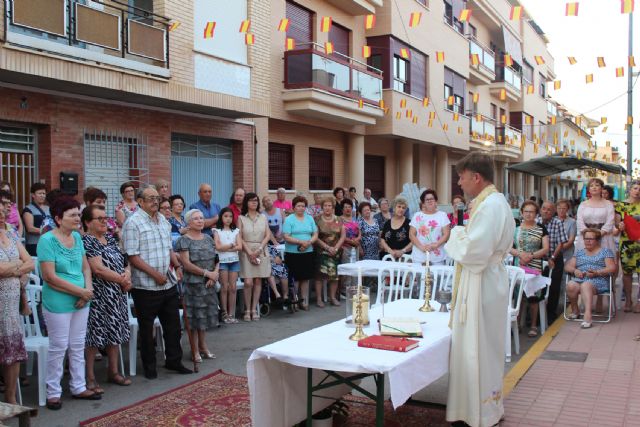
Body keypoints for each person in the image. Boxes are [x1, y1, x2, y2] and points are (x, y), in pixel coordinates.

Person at [443, 152, 515, 427]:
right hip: (486, 278)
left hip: (481, 278)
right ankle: (479, 408)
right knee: (483, 346)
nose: (459, 183)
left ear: (476, 177)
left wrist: (456, 233)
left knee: (477, 347)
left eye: (461, 177)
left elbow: (474, 251)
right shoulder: (492, 202)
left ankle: (478, 413)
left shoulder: (490, 206)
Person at [123, 187, 192, 379]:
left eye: (157, 198)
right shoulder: (133, 223)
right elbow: (133, 256)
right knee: (147, 329)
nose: (155, 201)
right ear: (140, 202)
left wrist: (177, 265)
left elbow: (168, 248)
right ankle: (150, 366)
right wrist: (155, 274)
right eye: (150, 198)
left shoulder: (163, 220)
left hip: (167, 282)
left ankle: (174, 361)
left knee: (173, 326)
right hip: (145, 285)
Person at [38, 196, 99, 409]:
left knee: (77, 344)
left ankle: (78, 386)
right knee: (59, 346)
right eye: (72, 215)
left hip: (82, 300)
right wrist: (81, 291)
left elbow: (85, 268)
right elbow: (50, 277)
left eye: (78, 214)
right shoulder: (47, 240)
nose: (77, 218)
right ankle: (53, 391)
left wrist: (87, 290)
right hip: (58, 301)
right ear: (57, 218)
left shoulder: (77, 237)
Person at [81, 205, 132, 393]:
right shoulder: (87, 241)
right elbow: (98, 269)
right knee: (94, 335)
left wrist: (127, 275)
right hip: (99, 294)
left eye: (105, 218)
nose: (105, 222)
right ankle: (90, 377)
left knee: (115, 331)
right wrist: (122, 280)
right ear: (87, 222)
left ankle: (114, 371)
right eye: (99, 219)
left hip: (116, 293)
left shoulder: (110, 238)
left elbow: (125, 261)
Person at [0, 204, 33, 405]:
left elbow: (30, 262)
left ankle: (11, 398)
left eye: (3, 210)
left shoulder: (11, 234)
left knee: (12, 351)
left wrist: (11, 270)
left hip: (11, 305)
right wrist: (17, 267)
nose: (2, 213)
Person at [175, 209, 219, 361]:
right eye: (196, 219)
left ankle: (203, 346)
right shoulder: (183, 240)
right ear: (189, 222)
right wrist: (207, 274)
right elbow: (186, 264)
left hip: (209, 284)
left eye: (201, 218)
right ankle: (194, 350)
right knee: (194, 318)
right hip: (193, 285)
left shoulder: (208, 238)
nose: (200, 221)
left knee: (204, 317)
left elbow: (217, 259)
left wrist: (214, 275)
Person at [508, 201, 549, 337]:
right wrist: (520, 254)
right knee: (517, 295)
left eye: (531, 212)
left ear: (536, 214)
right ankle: (517, 324)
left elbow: (545, 248)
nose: (528, 214)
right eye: (526, 211)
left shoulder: (541, 228)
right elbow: (508, 247)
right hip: (518, 264)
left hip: (535, 264)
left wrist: (530, 256)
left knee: (533, 296)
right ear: (521, 212)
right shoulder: (516, 229)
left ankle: (533, 325)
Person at [565, 229, 616, 329]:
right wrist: (575, 271)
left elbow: (612, 268)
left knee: (586, 285)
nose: (587, 241)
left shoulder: (605, 252)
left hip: (599, 280)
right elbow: (567, 266)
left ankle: (588, 315)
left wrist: (597, 272)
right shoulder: (579, 253)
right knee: (571, 285)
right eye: (586, 238)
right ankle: (575, 310)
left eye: (591, 239)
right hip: (581, 279)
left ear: (597, 240)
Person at [238, 193, 271, 321]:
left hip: (260, 249)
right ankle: (247, 309)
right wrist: (249, 252)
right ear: (246, 202)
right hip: (246, 250)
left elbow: (267, 235)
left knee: (258, 280)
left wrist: (259, 249)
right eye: (251, 201)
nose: (254, 203)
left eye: (256, 201)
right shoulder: (241, 218)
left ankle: (253, 309)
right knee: (248, 282)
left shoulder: (263, 217)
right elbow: (239, 236)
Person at [283, 196, 318, 310]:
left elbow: (315, 234)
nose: (301, 208)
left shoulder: (310, 218)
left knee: (305, 278)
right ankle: (295, 300)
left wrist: (308, 243)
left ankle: (304, 301)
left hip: (307, 252)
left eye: (303, 206)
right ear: (293, 207)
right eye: (298, 206)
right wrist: (301, 242)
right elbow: (286, 236)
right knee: (295, 278)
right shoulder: (289, 219)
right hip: (293, 253)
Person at [538, 201, 569, 323]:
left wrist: (552, 257)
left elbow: (561, 243)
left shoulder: (558, 222)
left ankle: (551, 314)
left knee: (553, 287)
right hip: (538, 259)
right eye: (544, 209)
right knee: (539, 285)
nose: (546, 211)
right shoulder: (536, 221)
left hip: (555, 258)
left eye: (549, 209)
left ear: (553, 212)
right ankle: (536, 315)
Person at [314, 196, 345, 308]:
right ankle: (319, 299)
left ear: (333, 207)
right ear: (322, 207)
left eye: (329, 206)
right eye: (325, 206)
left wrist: (335, 248)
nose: (327, 208)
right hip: (321, 251)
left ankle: (332, 297)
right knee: (319, 276)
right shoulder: (317, 219)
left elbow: (342, 236)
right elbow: (315, 237)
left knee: (334, 276)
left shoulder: (339, 219)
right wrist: (327, 248)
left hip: (335, 252)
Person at [615, 181, 640, 312]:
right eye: (635, 188)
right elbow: (617, 224)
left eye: (639, 189)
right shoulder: (621, 205)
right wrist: (619, 226)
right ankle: (628, 300)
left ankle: (639, 301)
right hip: (626, 244)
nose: (637, 191)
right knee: (627, 273)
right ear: (629, 190)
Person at [214, 207, 242, 323]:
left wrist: (225, 248)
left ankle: (232, 314)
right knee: (224, 288)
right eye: (225, 216)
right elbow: (218, 247)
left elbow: (239, 247)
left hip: (234, 261)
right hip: (223, 262)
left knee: (233, 288)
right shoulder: (216, 231)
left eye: (230, 216)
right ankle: (224, 313)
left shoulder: (236, 231)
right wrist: (231, 245)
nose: (228, 219)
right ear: (221, 217)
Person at [409, 190, 451, 265]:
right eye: (427, 199)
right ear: (423, 203)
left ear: (436, 201)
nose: (430, 201)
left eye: (432, 199)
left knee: (437, 277)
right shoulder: (417, 216)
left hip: (437, 257)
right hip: (419, 256)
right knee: (419, 277)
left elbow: (446, 234)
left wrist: (436, 244)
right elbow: (411, 234)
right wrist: (421, 247)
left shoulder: (442, 215)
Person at [576, 178, 615, 253]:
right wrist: (589, 236)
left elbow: (610, 222)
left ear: (601, 189)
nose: (594, 187)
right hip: (586, 238)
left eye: (597, 185)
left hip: (604, 238)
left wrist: (598, 235)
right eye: (591, 186)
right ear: (589, 189)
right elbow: (579, 222)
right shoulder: (583, 204)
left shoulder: (608, 204)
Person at [23, 182, 49, 255]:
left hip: (48, 242)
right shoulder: (28, 209)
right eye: (39, 193)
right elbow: (30, 228)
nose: (42, 196)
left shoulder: (48, 208)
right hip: (34, 244)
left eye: (44, 193)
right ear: (33, 195)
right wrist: (46, 231)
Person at [557, 199, 577, 263]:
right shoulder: (552, 220)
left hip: (567, 252)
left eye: (564, 208)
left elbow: (571, 240)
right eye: (559, 208)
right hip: (553, 253)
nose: (561, 210)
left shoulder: (572, 222)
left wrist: (558, 250)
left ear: (567, 209)